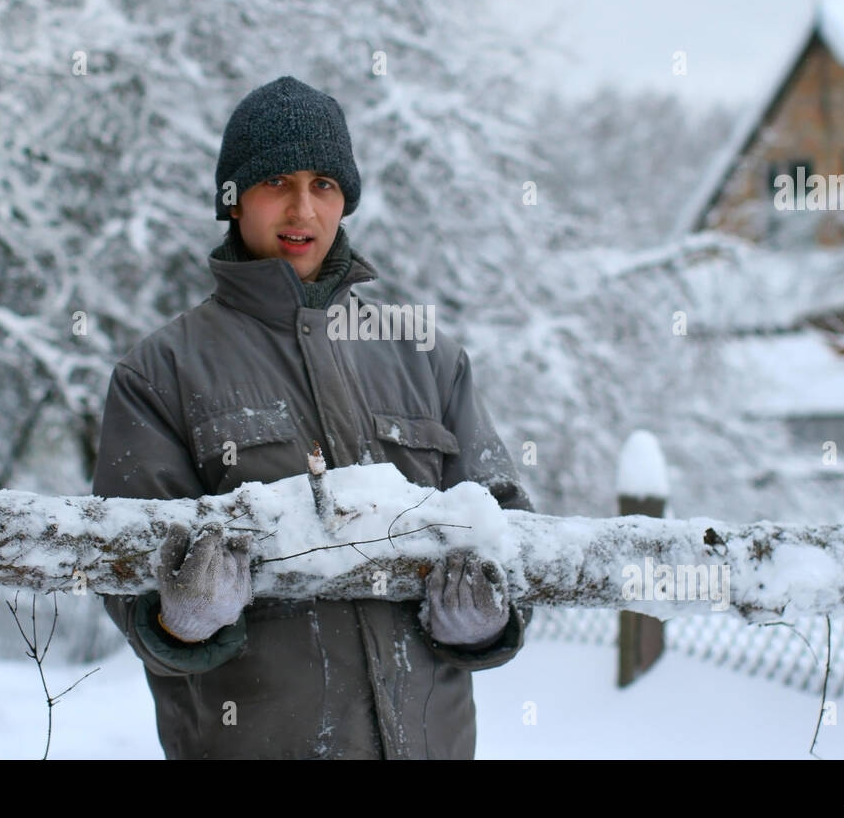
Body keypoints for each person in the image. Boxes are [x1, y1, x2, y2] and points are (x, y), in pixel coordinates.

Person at [92, 75, 534, 759]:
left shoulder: (427, 357)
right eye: (278, 182)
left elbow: (512, 530)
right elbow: (122, 570)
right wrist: (179, 619)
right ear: (234, 202)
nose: (303, 208)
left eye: (325, 185)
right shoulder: (161, 373)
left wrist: (485, 618)